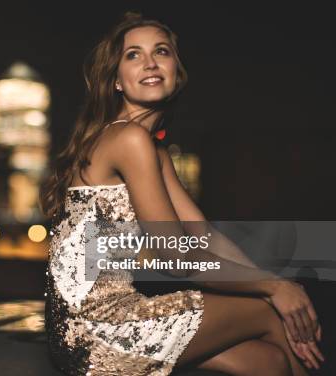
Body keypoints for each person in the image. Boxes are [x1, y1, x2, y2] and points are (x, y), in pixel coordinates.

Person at [40, 11, 324, 376]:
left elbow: (204, 235)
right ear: (116, 82)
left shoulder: (152, 150)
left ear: (177, 71)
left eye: (161, 51)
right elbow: (173, 253)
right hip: (96, 332)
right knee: (270, 310)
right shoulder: (128, 138)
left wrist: (276, 284)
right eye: (133, 55)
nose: (150, 62)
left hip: (103, 324)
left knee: (266, 361)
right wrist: (273, 290)